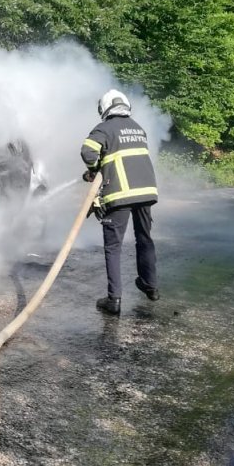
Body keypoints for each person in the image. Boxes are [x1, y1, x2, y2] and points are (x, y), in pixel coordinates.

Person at [80, 89, 159, 315]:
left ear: (105, 108)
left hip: (120, 194)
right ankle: (150, 285)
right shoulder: (137, 128)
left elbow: (88, 152)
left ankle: (114, 300)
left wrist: (94, 170)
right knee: (144, 239)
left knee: (113, 246)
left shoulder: (104, 128)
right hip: (146, 192)